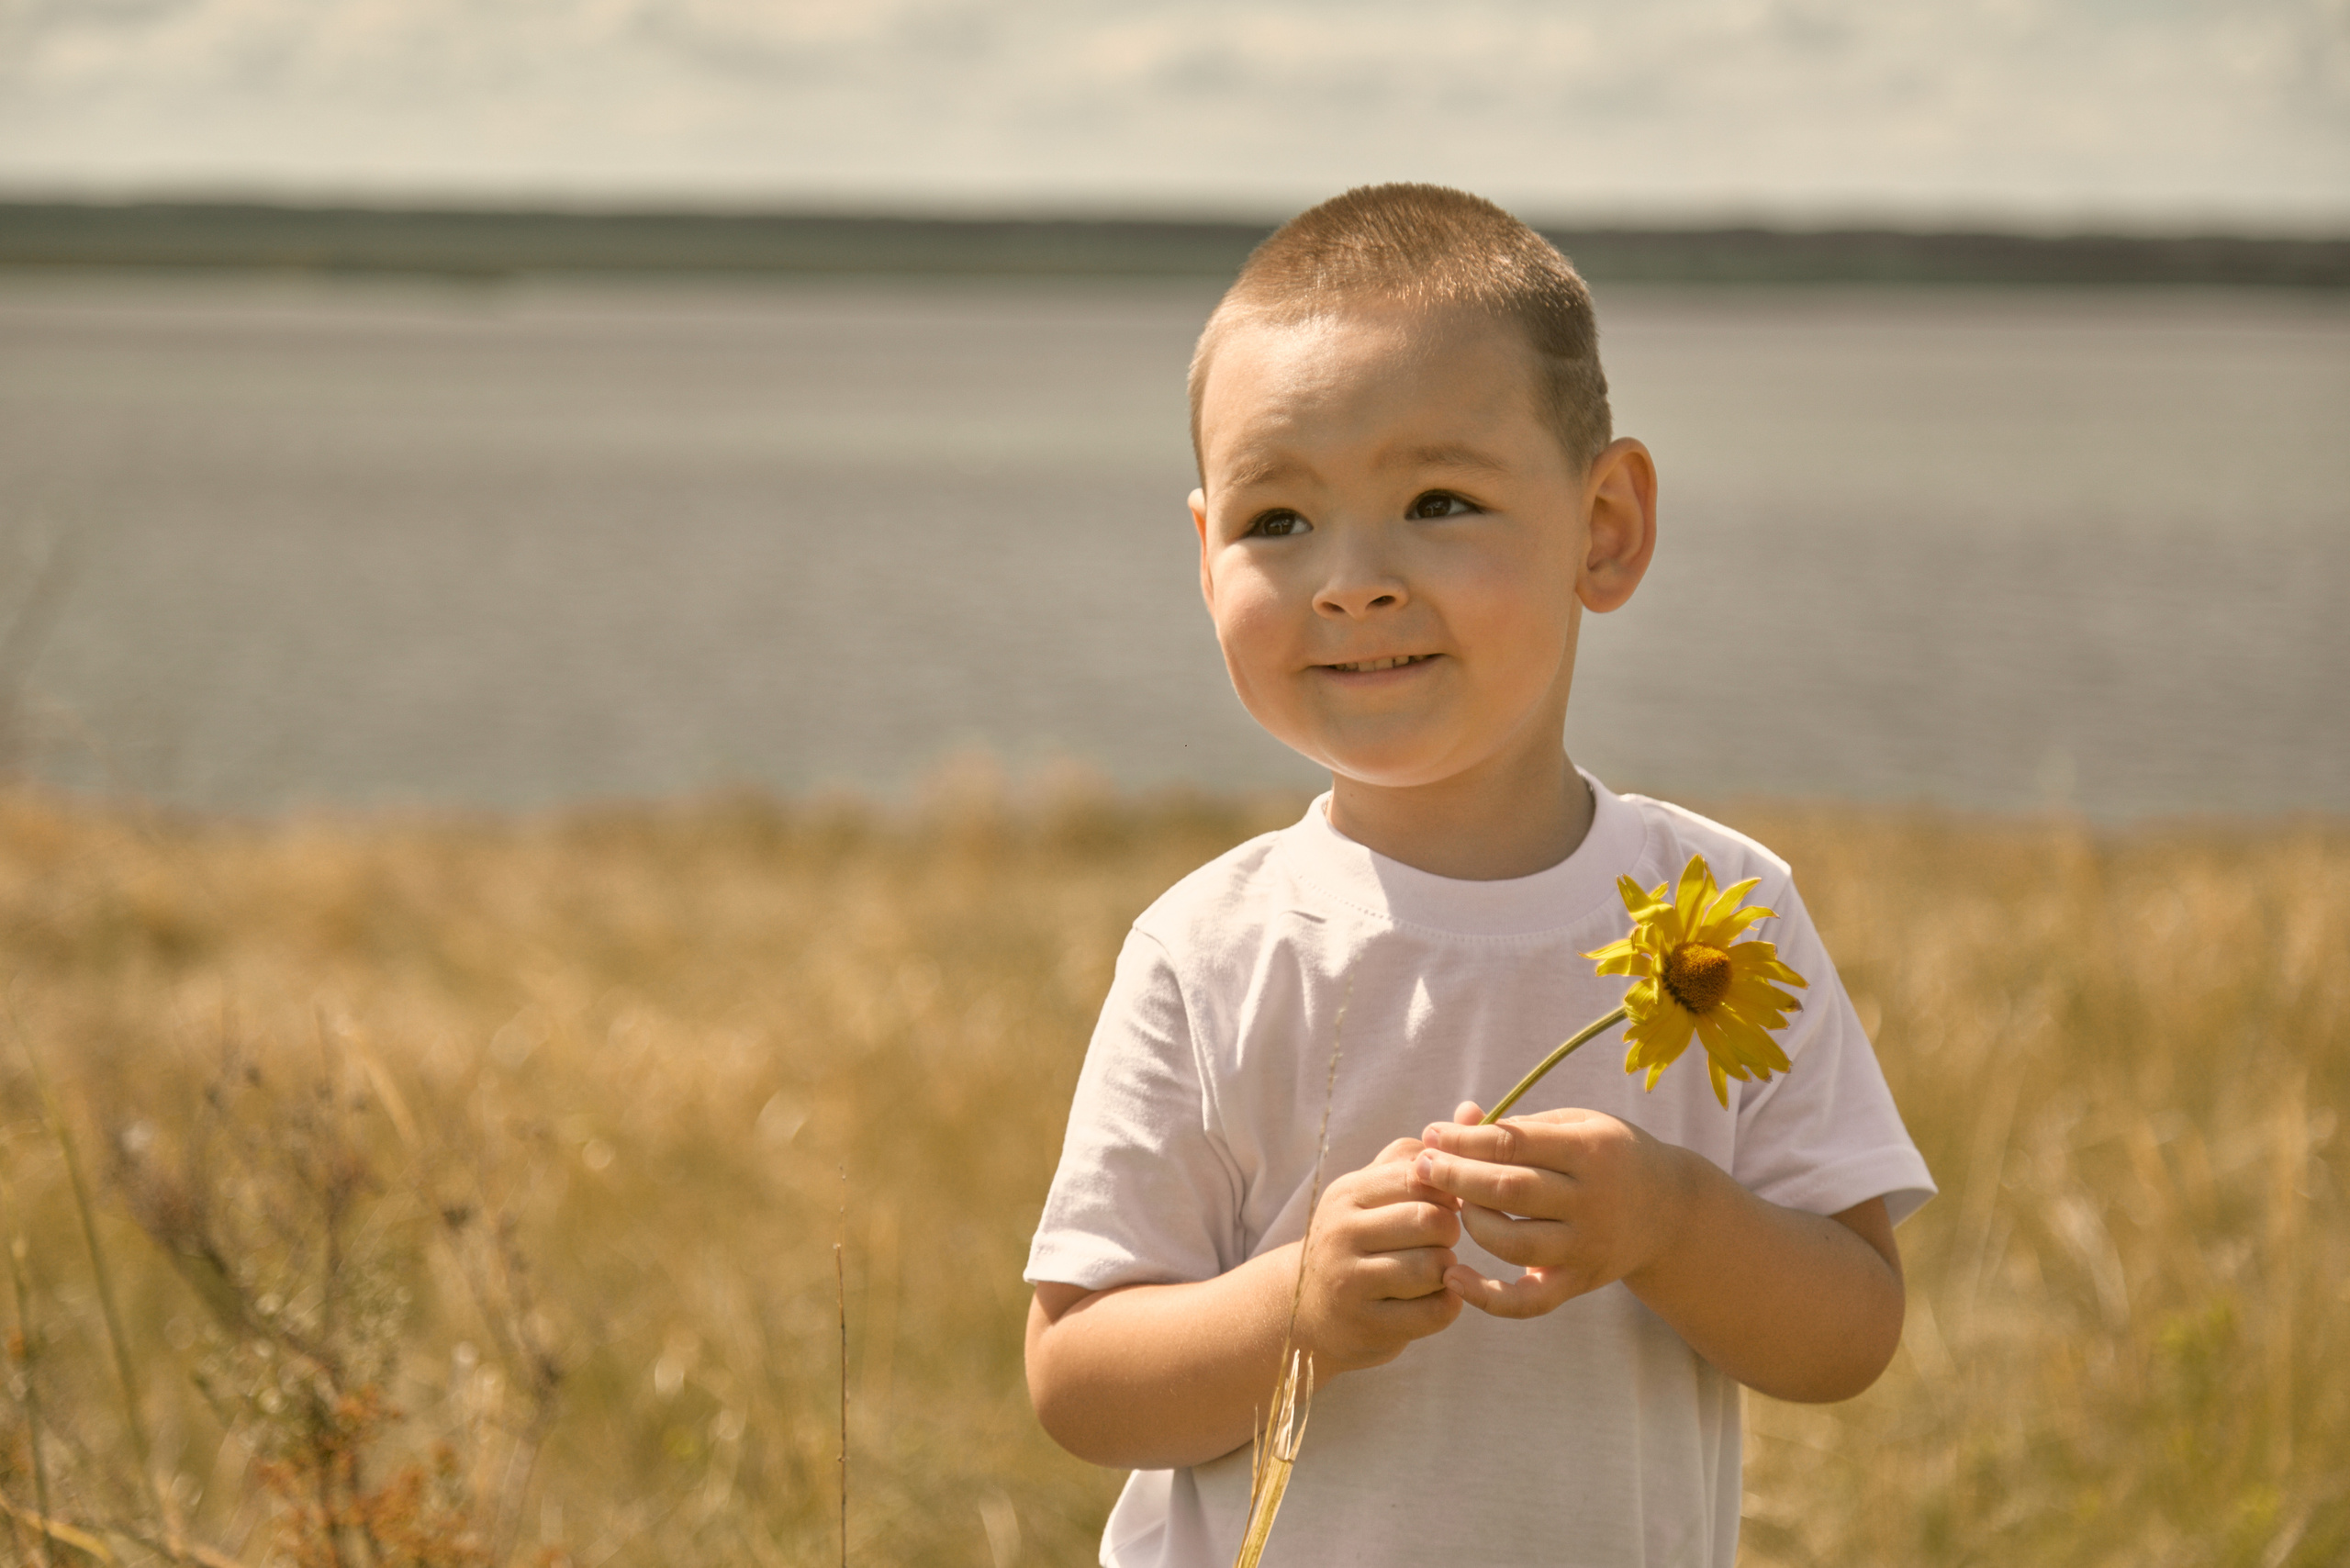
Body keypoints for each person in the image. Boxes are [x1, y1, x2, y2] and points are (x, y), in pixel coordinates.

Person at [1023, 184, 1934, 1568]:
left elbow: (1853, 1329)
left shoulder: (1720, 912)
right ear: (1205, 561)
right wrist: (1297, 1309)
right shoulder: (1207, 947)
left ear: (1605, 526)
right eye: (1278, 522)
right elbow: (1079, 1376)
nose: (1351, 581)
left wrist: (1672, 1220)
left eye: (1438, 500)